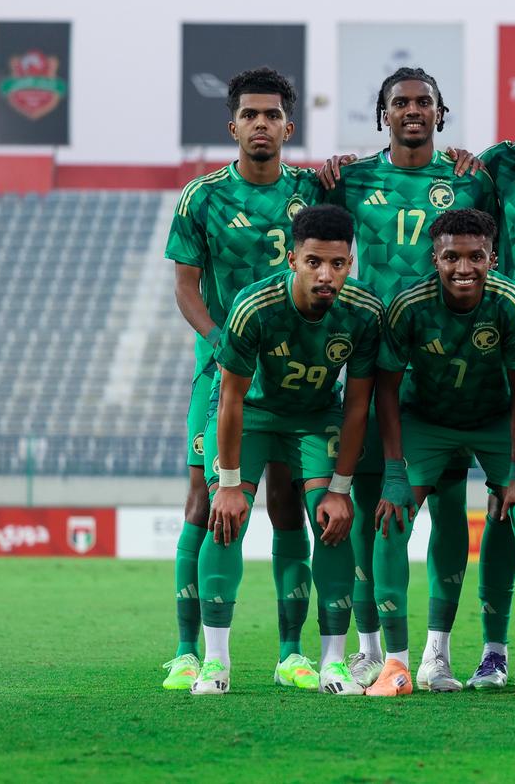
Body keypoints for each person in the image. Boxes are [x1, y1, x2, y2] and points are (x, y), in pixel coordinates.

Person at [321, 66, 497, 688]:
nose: (413, 110)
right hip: (373, 361)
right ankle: (371, 648)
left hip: (444, 365)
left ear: (441, 114)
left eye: (425, 102)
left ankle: (437, 653)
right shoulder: (351, 179)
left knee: (449, 507)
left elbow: (489, 253)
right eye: (401, 103)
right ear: (384, 114)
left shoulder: (469, 180)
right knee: (372, 502)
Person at [162, 67, 324, 691]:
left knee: (286, 503)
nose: (261, 124)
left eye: (272, 115)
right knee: (205, 502)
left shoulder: (312, 189)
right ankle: (187, 651)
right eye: (250, 115)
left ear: (289, 125)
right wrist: (220, 342)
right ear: (233, 126)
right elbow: (186, 286)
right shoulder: (201, 197)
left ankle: (292, 654)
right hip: (223, 375)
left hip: (295, 379)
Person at [190, 205, 383, 696]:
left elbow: (357, 406)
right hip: (252, 413)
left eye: (338, 264)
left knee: (333, 521)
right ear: (293, 259)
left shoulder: (364, 312)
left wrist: (340, 489)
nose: (326, 275)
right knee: (226, 517)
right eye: (314, 262)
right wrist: (228, 484)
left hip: (315, 418)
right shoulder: (255, 305)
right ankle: (215, 663)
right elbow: (230, 399)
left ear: (351, 263)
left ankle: (334, 664)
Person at [366, 208, 515, 697]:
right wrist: (394, 471)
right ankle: (400, 664)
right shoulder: (408, 306)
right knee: (392, 518)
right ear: (435, 259)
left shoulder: (510, 302)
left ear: (493, 258)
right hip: (427, 421)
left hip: (494, 419)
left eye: (475, 257)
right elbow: (386, 388)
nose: (464, 268)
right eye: (451, 257)